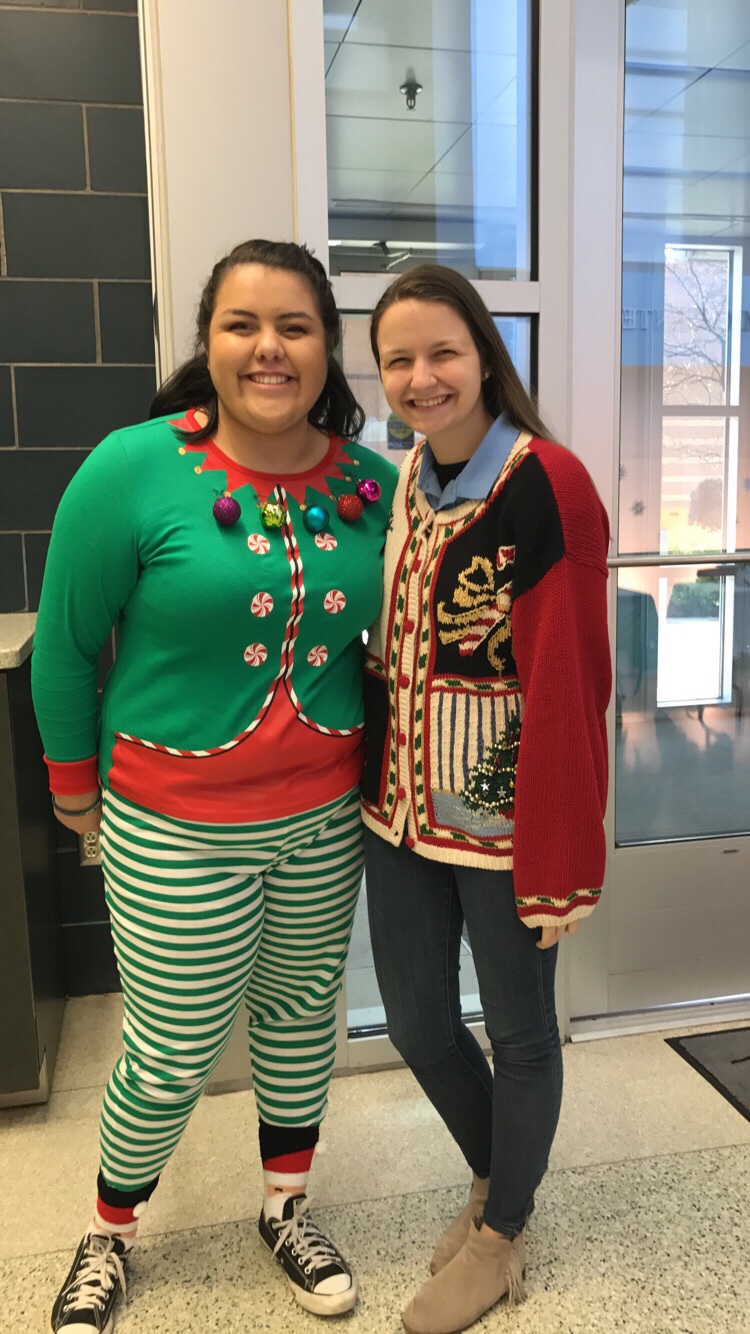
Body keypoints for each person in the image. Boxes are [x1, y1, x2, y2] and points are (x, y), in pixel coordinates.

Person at [31, 239, 398, 1331]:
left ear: (329, 348)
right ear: (209, 342)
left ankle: (286, 1205)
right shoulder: (131, 466)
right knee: (176, 1040)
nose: (268, 347)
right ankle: (110, 1230)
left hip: (323, 816)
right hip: (172, 820)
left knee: (297, 1020)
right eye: (242, 324)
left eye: (294, 325)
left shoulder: (376, 484)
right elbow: (64, 643)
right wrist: (73, 790)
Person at [360, 265, 611, 1334]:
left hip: (508, 825)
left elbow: (572, 679)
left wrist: (564, 849)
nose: (423, 377)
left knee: (519, 1030)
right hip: (402, 814)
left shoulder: (546, 480)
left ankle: (503, 1229)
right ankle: (492, 1173)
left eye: (442, 352)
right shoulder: (408, 480)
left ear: (485, 353)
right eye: (399, 360)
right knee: (417, 1021)